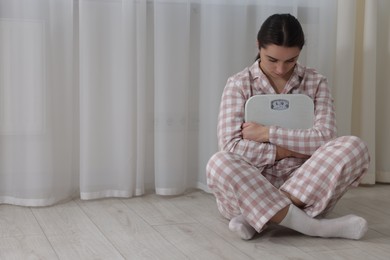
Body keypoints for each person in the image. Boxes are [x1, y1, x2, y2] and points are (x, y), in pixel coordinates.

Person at [206, 13, 370, 240]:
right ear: (258, 46)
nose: (281, 69)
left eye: (290, 60)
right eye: (272, 59)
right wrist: (286, 150)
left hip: (306, 186)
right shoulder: (238, 84)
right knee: (219, 162)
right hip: (252, 183)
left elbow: (325, 138)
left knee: (354, 146)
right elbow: (231, 147)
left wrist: (267, 133)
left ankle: (257, 218)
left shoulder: (316, 82)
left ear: (300, 52)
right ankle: (314, 227)